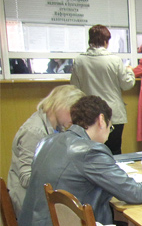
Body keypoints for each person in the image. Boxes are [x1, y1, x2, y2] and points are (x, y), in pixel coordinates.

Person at [17, 95, 142, 226]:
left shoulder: (47, 141)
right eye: (111, 127)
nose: (108, 133)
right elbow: (133, 193)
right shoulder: (89, 151)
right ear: (101, 120)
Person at [7, 85, 85, 216]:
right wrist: (63, 177)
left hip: (41, 196)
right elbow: (26, 178)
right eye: (73, 113)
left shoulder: (58, 128)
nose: (75, 119)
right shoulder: (34, 132)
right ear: (61, 105)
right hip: (28, 202)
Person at [70, 24, 135, 155]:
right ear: (106, 41)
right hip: (113, 114)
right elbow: (127, 84)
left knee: (90, 152)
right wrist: (130, 72)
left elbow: (74, 87)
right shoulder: (114, 60)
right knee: (114, 151)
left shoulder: (79, 61)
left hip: (88, 114)